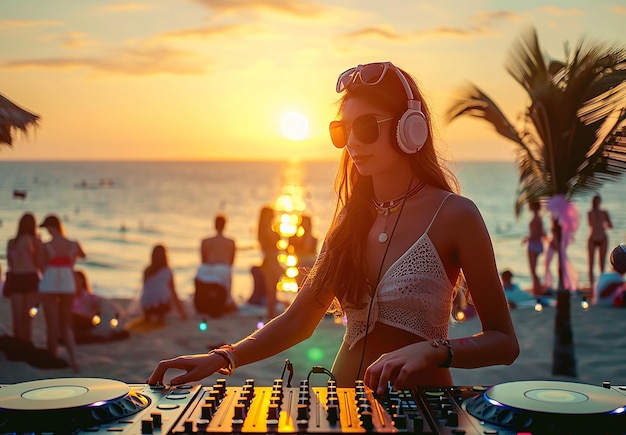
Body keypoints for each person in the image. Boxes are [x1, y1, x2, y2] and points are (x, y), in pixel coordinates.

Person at [148, 61, 519, 394]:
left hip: (422, 407)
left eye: (366, 127)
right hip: (340, 406)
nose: (353, 142)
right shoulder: (349, 220)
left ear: (411, 129)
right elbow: (298, 320)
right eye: (343, 131)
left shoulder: (455, 215)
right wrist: (222, 357)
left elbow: (504, 342)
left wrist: (434, 350)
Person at [38, 214, 86, 372]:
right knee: (65, 326)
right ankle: (74, 360)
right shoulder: (73, 244)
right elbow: (83, 255)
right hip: (67, 284)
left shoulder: (47, 246)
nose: (47, 232)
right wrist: (69, 259)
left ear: (52, 227)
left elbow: (41, 266)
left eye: (47, 228)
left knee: (52, 324)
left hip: (50, 284)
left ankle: (52, 359)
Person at [5, 212, 44, 343]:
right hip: (31, 278)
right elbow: (39, 264)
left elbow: (10, 263)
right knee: (28, 319)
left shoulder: (11, 242)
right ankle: (27, 344)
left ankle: (18, 345)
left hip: (16, 278)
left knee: (17, 317)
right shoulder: (36, 241)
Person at [195, 214, 237, 316]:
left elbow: (203, 259)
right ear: (225, 225)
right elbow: (231, 261)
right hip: (223, 269)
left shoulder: (205, 241)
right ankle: (226, 302)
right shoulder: (230, 242)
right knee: (227, 272)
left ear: (214, 225)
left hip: (206, 269)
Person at [140, 244, 187, 324]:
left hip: (146, 305)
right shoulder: (167, 271)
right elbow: (173, 292)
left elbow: (146, 288)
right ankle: (160, 318)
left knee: (151, 295)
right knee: (164, 295)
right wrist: (182, 313)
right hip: (161, 306)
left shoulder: (147, 270)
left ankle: (147, 317)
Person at [256, 205, 284, 319]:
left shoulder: (270, 228)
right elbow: (269, 245)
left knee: (273, 292)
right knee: (270, 292)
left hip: (274, 261)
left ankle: (271, 316)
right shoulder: (264, 231)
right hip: (269, 262)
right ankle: (270, 316)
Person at [587, 194, 613, 290]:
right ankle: (591, 287)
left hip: (602, 239)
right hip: (592, 238)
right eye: (596, 201)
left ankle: (600, 286)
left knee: (602, 263)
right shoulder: (590, 213)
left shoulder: (604, 213)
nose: (597, 203)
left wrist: (604, 224)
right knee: (591, 263)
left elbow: (610, 225)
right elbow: (590, 225)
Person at [522, 201, 546, 295]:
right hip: (538, 245)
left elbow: (536, 235)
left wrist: (527, 239)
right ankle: (537, 288)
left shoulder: (536, 219)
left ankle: (537, 289)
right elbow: (543, 233)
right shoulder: (539, 218)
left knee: (532, 269)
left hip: (533, 245)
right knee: (534, 269)